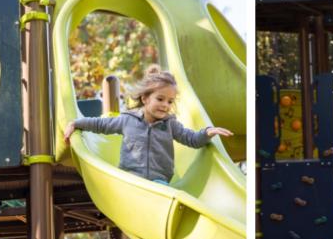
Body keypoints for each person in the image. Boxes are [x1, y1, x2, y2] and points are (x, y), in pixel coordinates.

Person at [63, 69, 234, 185]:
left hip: (158, 182)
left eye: (170, 101)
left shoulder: (170, 125)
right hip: (131, 180)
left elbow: (192, 139)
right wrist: (76, 123)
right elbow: (101, 124)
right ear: (145, 99)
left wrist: (208, 132)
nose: (165, 105)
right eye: (160, 99)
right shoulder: (127, 120)